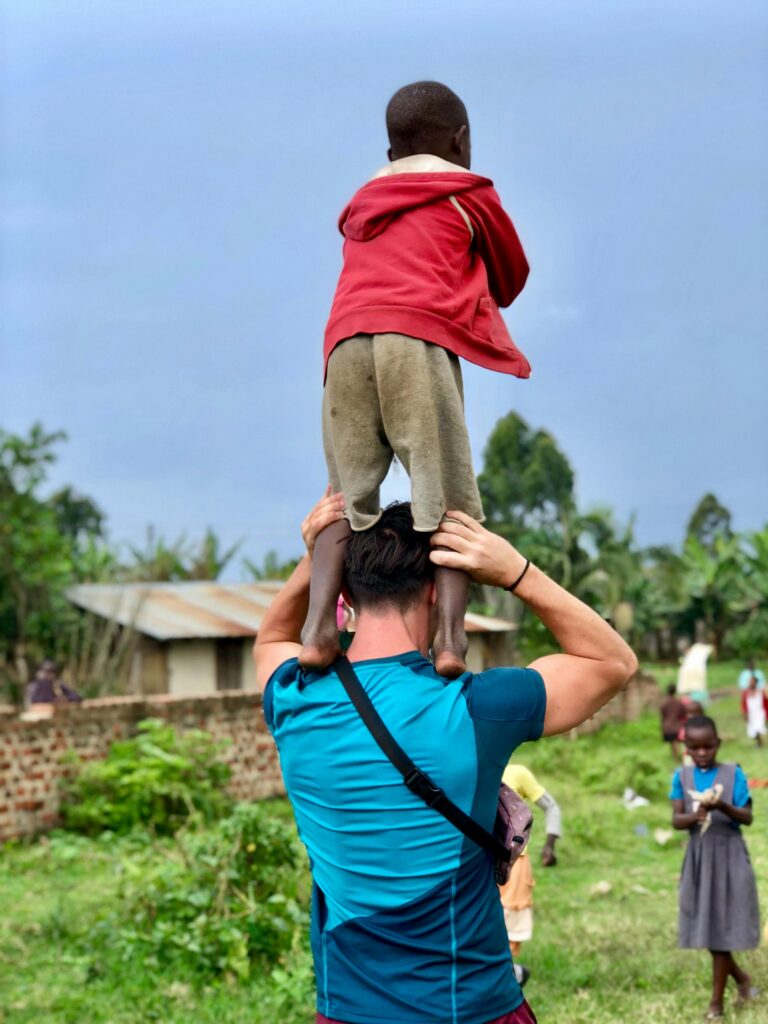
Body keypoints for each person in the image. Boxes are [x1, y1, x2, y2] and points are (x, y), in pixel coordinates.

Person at [255, 494, 638, 1024]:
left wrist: (314, 556)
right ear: (441, 590)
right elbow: (612, 661)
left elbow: (271, 638)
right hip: (470, 1008)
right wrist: (515, 571)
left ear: (342, 589)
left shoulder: (293, 698)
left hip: (347, 1009)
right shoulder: (476, 708)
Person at [300, 80, 530, 680]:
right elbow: (511, 277)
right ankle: (450, 643)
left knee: (343, 500)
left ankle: (320, 628)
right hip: (414, 340)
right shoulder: (467, 191)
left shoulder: (361, 202)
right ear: (460, 141)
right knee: (447, 498)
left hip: (343, 342)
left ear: (391, 150)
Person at [670, 715, 760, 1019]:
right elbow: (676, 821)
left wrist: (721, 805)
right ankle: (743, 980)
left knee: (720, 927)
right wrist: (696, 815)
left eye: (708, 746)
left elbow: (747, 818)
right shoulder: (681, 777)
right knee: (706, 924)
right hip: (699, 857)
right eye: (695, 748)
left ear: (718, 744)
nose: (703, 753)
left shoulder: (733, 773)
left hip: (729, 855)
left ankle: (716, 1002)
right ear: (686, 748)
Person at [497, 764, 563, 988]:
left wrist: (550, 845)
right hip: (477, 862)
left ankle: (506, 979)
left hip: (514, 866)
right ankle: (512, 975)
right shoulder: (470, 767)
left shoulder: (517, 773)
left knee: (509, 927)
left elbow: (551, 807)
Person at [659, 683, 686, 760]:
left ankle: (677, 758)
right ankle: (679, 757)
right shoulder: (678, 702)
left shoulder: (664, 702)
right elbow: (683, 712)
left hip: (667, 726)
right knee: (677, 742)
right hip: (677, 725)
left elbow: (662, 713)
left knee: (673, 743)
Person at [741, 675, 768, 747]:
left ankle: (759, 743)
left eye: (752, 681)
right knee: (752, 729)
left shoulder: (760, 692)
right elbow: (743, 704)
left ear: (755, 682)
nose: (750, 683)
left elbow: (766, 703)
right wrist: (745, 713)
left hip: (759, 713)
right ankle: (759, 742)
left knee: (758, 728)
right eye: (750, 681)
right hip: (751, 713)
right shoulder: (746, 693)